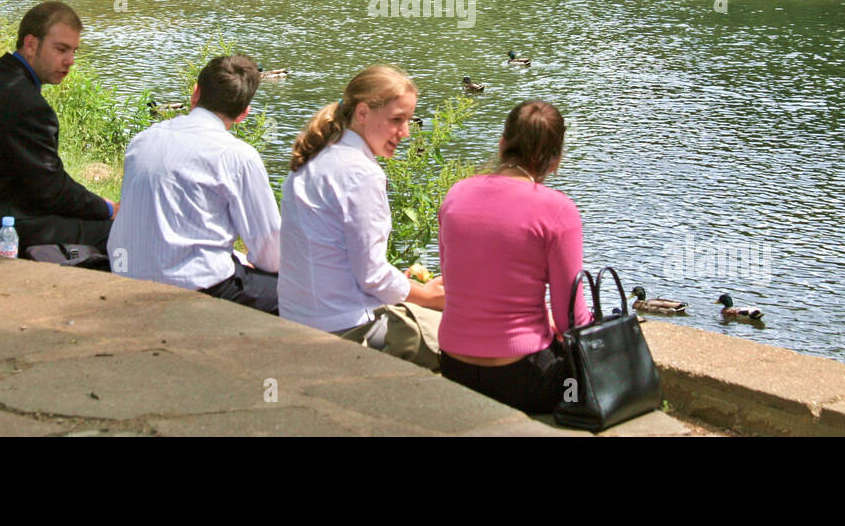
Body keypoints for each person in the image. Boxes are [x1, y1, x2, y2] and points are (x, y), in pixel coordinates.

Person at [278, 65, 445, 365]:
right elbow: (371, 276)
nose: (405, 132)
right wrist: (429, 297)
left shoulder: (316, 156)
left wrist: (408, 286)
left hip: (298, 318)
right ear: (363, 112)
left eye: (407, 120)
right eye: (397, 120)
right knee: (461, 343)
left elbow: (339, 257)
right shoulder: (360, 172)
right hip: (344, 328)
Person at [435, 100, 590, 414]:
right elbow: (570, 320)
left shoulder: (456, 193)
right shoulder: (558, 210)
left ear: (503, 143)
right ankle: (572, 413)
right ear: (557, 159)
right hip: (523, 380)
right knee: (579, 380)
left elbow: (455, 281)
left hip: (454, 367)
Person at [0, 2, 117, 254]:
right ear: (31, 45)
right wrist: (106, 208)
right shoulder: (28, 105)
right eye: (61, 49)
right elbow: (51, 191)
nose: (70, 61)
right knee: (115, 230)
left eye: (74, 51)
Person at [108, 54, 281, 313]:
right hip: (194, 289)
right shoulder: (238, 157)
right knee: (299, 292)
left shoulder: (143, 140)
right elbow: (271, 254)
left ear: (195, 93)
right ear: (244, 113)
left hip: (125, 271)